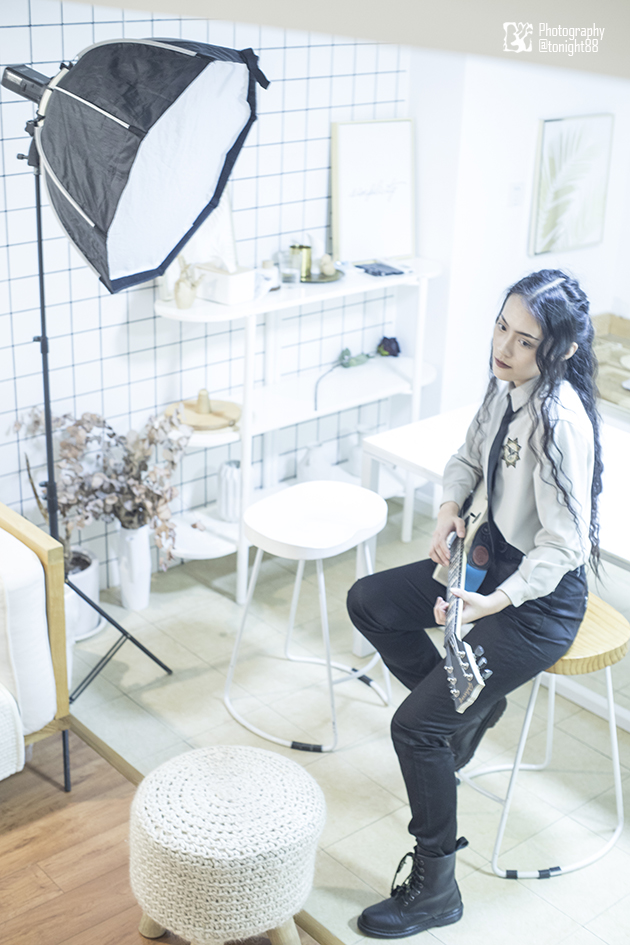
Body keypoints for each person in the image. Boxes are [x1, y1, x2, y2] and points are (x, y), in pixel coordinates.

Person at [347, 270, 602, 938]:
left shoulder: (558, 421)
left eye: (525, 340)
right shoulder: (507, 387)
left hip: (539, 601)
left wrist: (495, 604)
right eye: (501, 327)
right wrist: (448, 510)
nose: (504, 348)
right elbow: (466, 458)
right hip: (487, 563)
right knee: (370, 601)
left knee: (415, 728)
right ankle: (471, 708)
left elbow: (566, 545)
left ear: (560, 349)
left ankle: (436, 889)